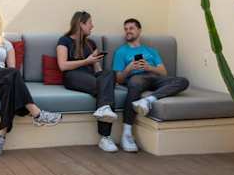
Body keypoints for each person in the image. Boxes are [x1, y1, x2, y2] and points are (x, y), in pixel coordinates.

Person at [0, 9, 62, 157]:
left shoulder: (6, 44)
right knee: (13, 74)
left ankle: (0, 137)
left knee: (9, 87)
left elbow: (11, 67)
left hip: (1, 76)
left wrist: (5, 74)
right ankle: (36, 113)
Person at [113, 18, 190, 152]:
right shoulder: (121, 51)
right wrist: (129, 68)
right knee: (134, 83)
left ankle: (148, 100)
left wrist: (149, 67)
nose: (128, 31)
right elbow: (119, 79)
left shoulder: (151, 51)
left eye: (131, 28)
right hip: (136, 78)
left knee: (183, 81)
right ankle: (127, 133)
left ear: (139, 30)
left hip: (155, 78)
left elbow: (163, 72)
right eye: (125, 29)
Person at [57, 11, 119, 152]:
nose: (92, 26)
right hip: (73, 76)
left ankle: (104, 109)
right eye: (90, 23)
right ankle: (105, 137)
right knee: (105, 88)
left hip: (91, 77)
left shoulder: (91, 43)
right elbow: (63, 65)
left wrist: (102, 72)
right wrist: (86, 61)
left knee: (109, 74)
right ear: (81, 24)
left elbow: (97, 70)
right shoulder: (64, 41)